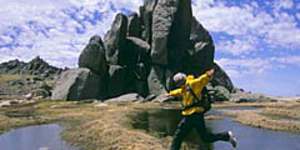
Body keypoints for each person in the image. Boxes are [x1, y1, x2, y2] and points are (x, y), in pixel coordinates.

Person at [167, 68, 237, 150]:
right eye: (177, 83)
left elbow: (202, 80)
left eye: (178, 82)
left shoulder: (193, 84)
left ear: (182, 80)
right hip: (197, 115)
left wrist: (208, 74)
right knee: (205, 137)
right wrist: (170, 94)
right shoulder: (184, 88)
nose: (178, 84)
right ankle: (227, 136)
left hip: (192, 114)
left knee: (178, 136)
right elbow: (179, 91)